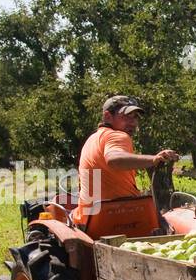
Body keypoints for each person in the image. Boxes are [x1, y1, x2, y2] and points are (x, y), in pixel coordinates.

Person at [75, 95, 179, 224]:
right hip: (118, 219)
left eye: (135, 117)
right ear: (108, 116)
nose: (133, 123)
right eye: (126, 117)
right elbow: (114, 160)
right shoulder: (118, 136)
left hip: (88, 220)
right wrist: (154, 159)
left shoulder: (92, 139)